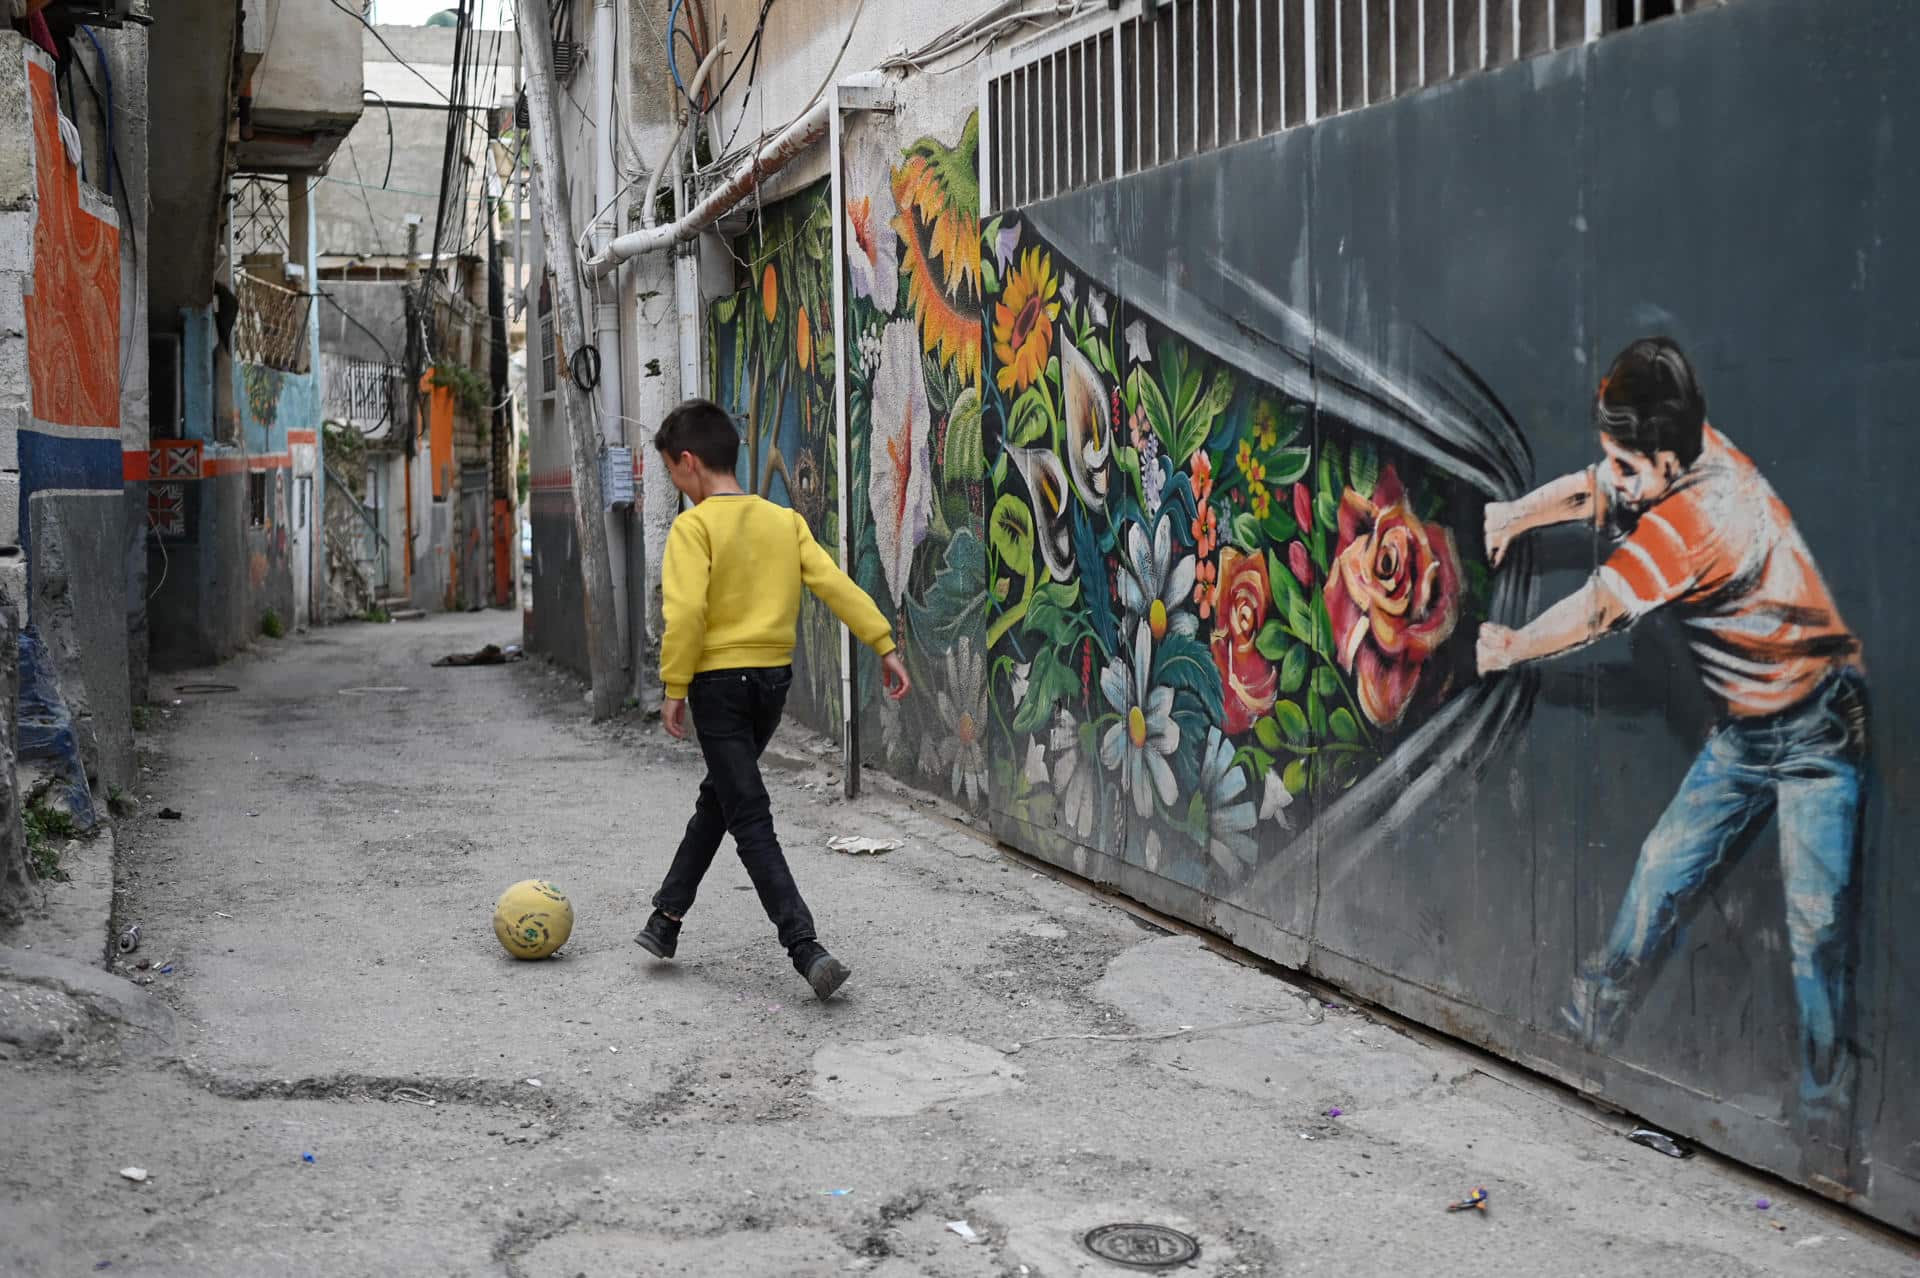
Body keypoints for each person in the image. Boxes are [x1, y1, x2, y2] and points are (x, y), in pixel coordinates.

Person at [1475, 338, 1867, 1182]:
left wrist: (1509, 647)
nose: (1610, 477)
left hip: (1817, 733)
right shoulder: (1678, 458)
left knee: (1816, 927)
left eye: (1625, 462)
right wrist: (1513, 517)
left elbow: (1596, 612)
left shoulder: (1700, 518)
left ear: (1663, 459)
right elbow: (1591, 491)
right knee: (1659, 869)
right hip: (1748, 730)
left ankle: (1825, 1131)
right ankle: (1582, 1029)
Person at [634, 399, 911, 1001]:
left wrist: (674, 687)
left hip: (716, 687)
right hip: (771, 684)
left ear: (688, 464)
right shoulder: (784, 522)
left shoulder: (695, 527)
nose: (674, 485)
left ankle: (805, 946)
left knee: (748, 815)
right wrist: (882, 643)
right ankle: (666, 918)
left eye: (670, 473)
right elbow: (834, 584)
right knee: (724, 798)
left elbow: (685, 614)